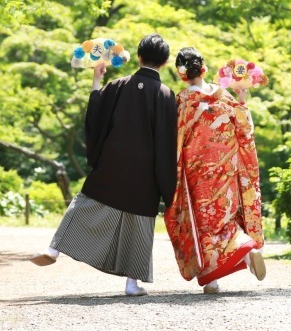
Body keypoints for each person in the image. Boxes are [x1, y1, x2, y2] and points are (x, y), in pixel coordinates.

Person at [28, 33, 178, 297]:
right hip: (145, 174)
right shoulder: (166, 94)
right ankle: (132, 284)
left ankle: (54, 249)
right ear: (164, 63)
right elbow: (167, 142)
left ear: (139, 56)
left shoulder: (119, 85)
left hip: (113, 163)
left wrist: (96, 79)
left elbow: (96, 115)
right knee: (139, 227)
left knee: (86, 202)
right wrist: (167, 185)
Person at [164, 47, 265, 294]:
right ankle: (247, 251)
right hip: (227, 169)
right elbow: (245, 130)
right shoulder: (224, 97)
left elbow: (172, 139)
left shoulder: (182, 102)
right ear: (205, 69)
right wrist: (242, 99)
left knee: (204, 224)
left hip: (197, 173)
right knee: (226, 217)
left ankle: (212, 280)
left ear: (182, 75)